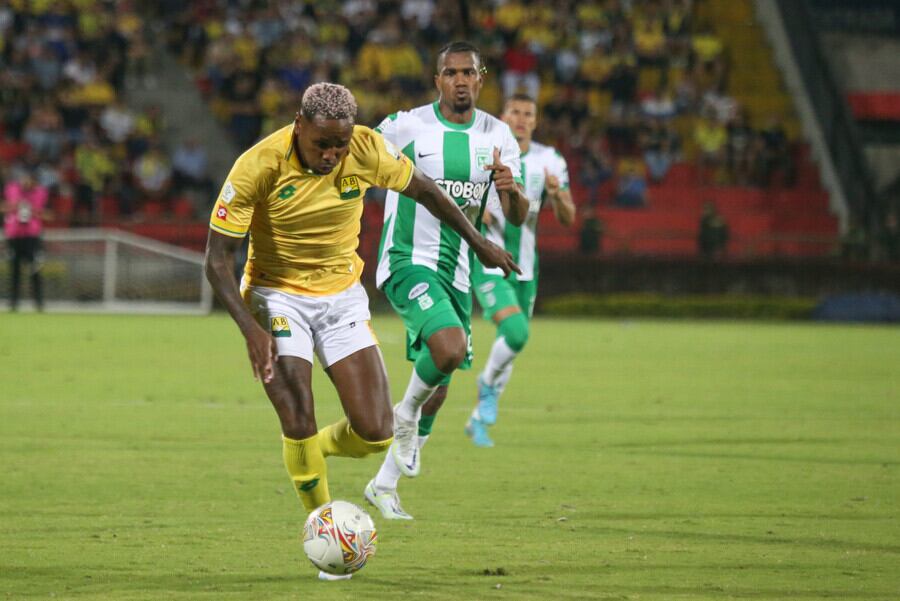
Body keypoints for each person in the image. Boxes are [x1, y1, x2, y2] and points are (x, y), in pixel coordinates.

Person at [203, 82, 517, 579]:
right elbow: (217, 259)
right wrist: (249, 328)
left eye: (339, 145)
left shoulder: (367, 148)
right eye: (321, 144)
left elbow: (428, 192)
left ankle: (314, 450)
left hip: (341, 295)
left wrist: (479, 243)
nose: (332, 155)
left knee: (376, 433)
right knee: (296, 408)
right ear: (298, 126)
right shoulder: (257, 165)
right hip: (275, 293)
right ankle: (325, 528)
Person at [363, 41, 529, 520]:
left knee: (441, 380)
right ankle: (404, 416)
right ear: (438, 80)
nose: (460, 80)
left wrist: (511, 191)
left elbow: (516, 217)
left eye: (468, 72)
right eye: (450, 72)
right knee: (450, 350)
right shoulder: (406, 125)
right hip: (406, 259)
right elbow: (359, 158)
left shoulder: (498, 136)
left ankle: (383, 485)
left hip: (458, 270)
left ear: (481, 78)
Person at [466, 93, 576, 447]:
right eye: (515, 112)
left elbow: (568, 218)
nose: (521, 119)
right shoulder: (482, 151)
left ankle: (478, 420)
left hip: (527, 266)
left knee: (511, 344)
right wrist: (472, 204)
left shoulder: (550, 160)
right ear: (503, 116)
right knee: (515, 332)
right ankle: (486, 387)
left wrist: (557, 196)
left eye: (528, 114)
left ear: (536, 121)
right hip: (488, 261)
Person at [2, 173, 51, 311]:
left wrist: (33, 211)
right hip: (14, 236)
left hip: (32, 237)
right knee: (14, 271)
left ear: (34, 181)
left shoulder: (41, 193)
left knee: (35, 269)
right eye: (24, 178)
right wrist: (14, 206)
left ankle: (39, 303)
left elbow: (50, 215)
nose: (26, 182)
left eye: (29, 179)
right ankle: (13, 303)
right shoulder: (10, 189)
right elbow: (2, 207)